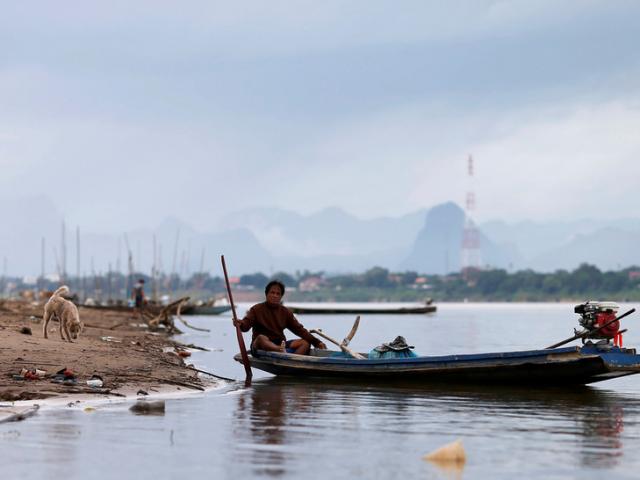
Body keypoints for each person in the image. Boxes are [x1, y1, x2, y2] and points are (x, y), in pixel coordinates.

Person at [234, 280, 327, 355]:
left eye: (278, 294)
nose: (275, 295)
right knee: (261, 338)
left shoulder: (285, 312)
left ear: (281, 297)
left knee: (305, 343)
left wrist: (317, 343)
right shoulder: (256, 309)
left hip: (280, 344)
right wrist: (240, 323)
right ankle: (280, 351)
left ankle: (292, 363)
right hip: (261, 345)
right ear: (266, 294)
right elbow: (245, 326)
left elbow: (300, 330)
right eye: (272, 293)